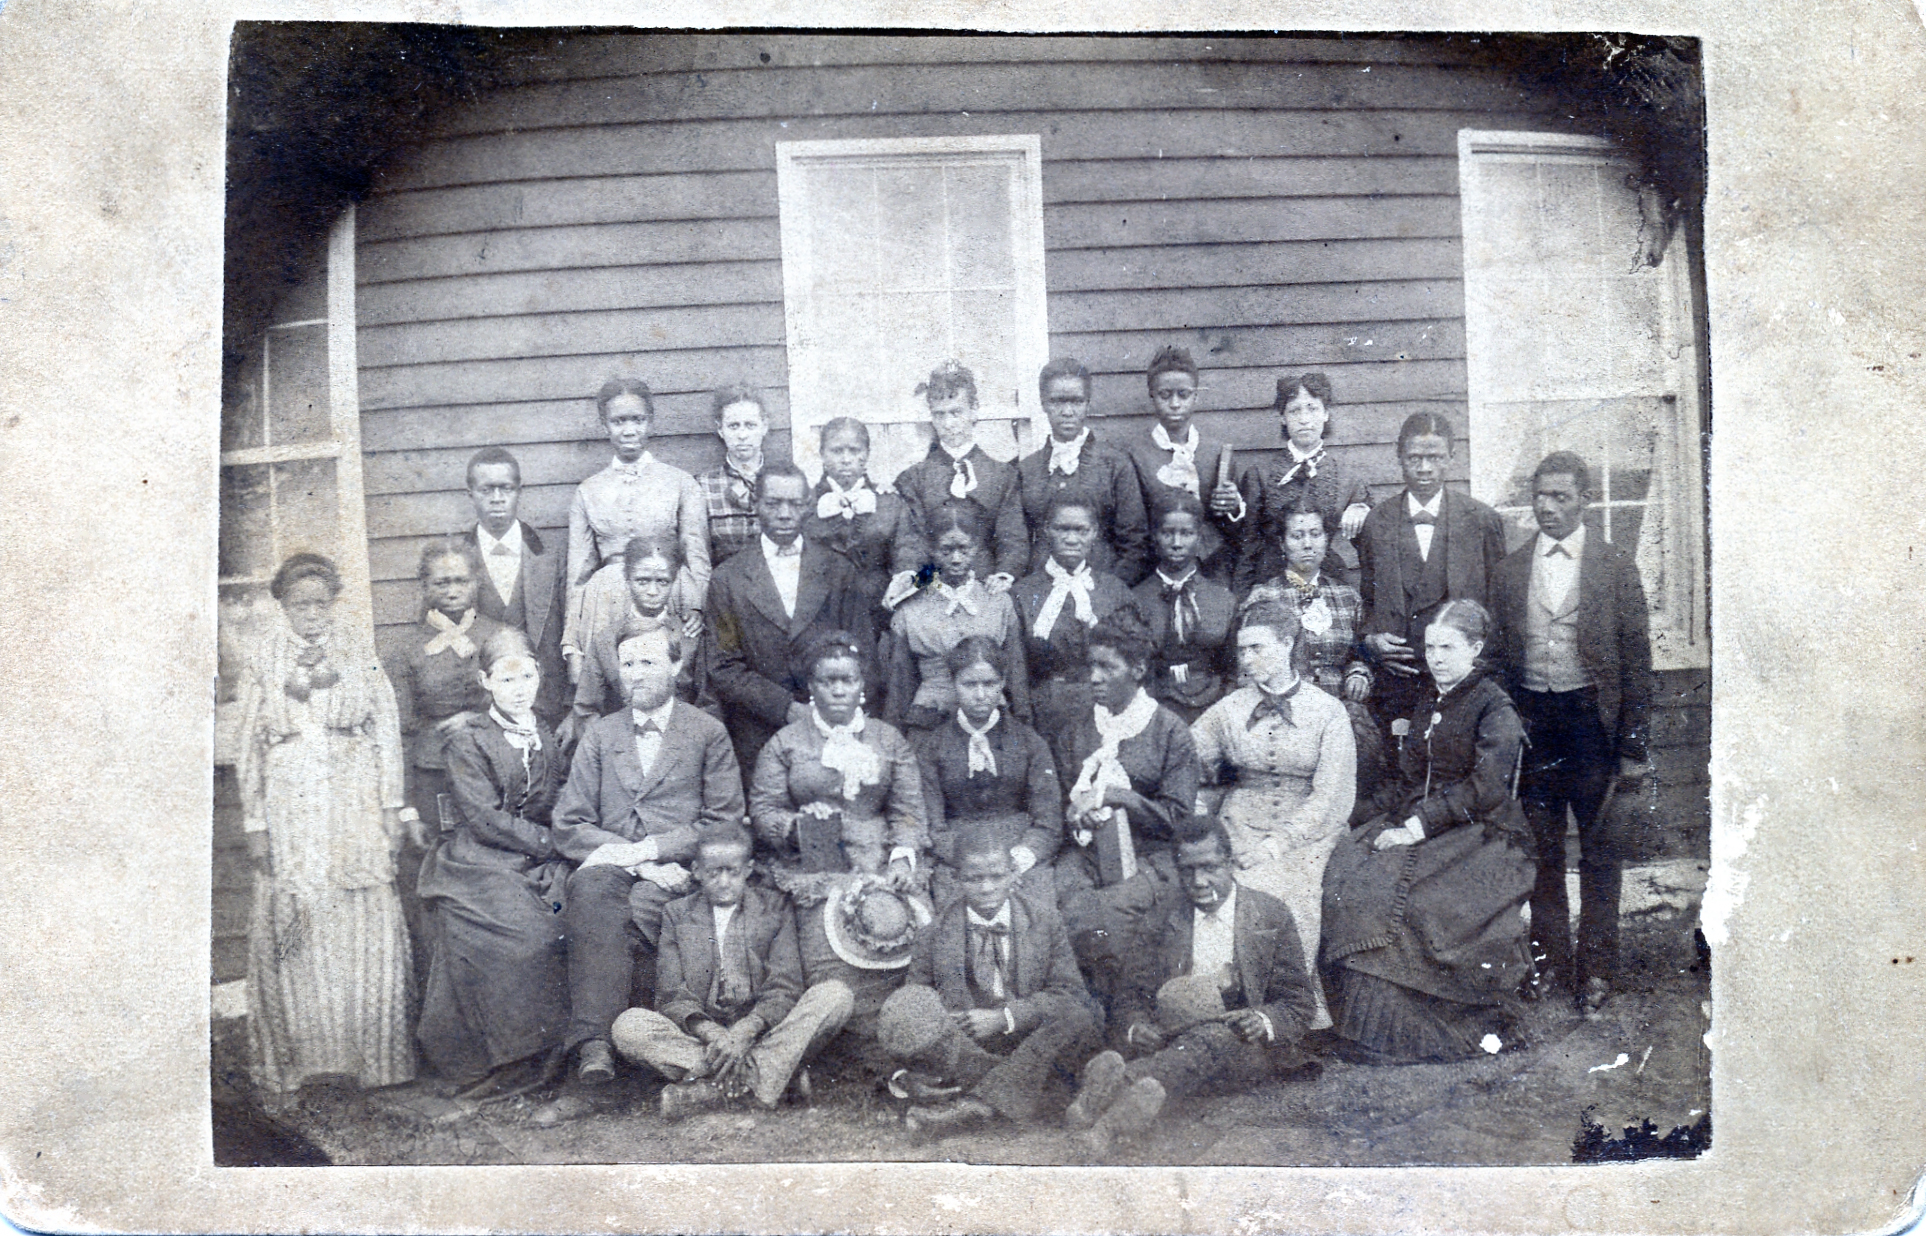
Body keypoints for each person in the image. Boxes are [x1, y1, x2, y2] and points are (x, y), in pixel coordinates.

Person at [1322, 599, 1536, 1063]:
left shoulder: (1494, 707)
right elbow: (1407, 778)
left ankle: (1401, 1031)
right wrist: (1352, 818)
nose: (1436, 657)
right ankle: (1357, 1022)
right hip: (1425, 821)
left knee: (1392, 894)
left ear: (1475, 649)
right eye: (1430, 647)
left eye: (1448, 647)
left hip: (1482, 833)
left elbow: (1485, 788)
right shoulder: (1430, 698)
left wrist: (1416, 826)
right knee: (1346, 867)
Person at [236, 553, 414, 1097]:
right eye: (299, 604)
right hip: (291, 798)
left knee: (355, 907)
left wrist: (391, 804)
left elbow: (385, 727)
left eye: (319, 602)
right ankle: (306, 1060)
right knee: (300, 916)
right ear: (283, 606)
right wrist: (255, 821)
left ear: (332, 603)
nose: (311, 613)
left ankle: (373, 1060)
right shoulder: (264, 657)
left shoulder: (357, 650)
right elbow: (247, 742)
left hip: (352, 792)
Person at [545, 624, 746, 1108]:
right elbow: (569, 821)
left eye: (649, 662)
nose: (635, 674)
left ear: (677, 666)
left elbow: (723, 821)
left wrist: (653, 851)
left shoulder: (706, 732)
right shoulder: (601, 733)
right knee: (591, 888)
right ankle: (596, 1046)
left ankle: (621, 1061)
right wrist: (635, 860)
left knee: (628, 917)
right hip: (616, 866)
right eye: (628, 664)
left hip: (682, 870)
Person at [1491, 451, 1653, 1016]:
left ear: (1583, 499)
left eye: (1561, 497)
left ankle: (1599, 969)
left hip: (1591, 725)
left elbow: (1637, 662)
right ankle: (1553, 964)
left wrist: (1631, 746)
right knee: (1541, 851)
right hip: (1535, 724)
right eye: (1540, 496)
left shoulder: (1615, 567)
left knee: (1601, 853)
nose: (1548, 507)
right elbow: (1497, 659)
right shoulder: (1511, 572)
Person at [1067, 814, 1319, 1157]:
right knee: (1177, 1051)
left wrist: (1263, 1021)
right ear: (1177, 868)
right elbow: (1131, 994)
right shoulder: (1162, 917)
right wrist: (1136, 1028)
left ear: (1229, 863)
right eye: (1187, 871)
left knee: (1217, 1035)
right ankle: (1127, 1107)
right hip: (1174, 1037)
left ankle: (1106, 1096)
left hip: (1245, 1046)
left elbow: (1299, 1002)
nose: (1199, 881)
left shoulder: (1270, 915)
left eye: (1210, 867)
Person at [416, 628, 570, 1099]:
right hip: (479, 858)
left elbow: (556, 795)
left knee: (570, 914)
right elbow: (484, 819)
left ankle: (556, 1052)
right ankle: (510, 1057)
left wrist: (570, 830)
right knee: (526, 935)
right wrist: (549, 841)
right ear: (486, 683)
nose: (520, 688)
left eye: (527, 677)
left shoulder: (542, 731)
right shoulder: (470, 740)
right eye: (507, 680)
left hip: (533, 853)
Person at [610, 824, 854, 1120]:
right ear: (697, 871)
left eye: (733, 872)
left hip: (762, 1030)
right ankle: (768, 1076)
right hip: (703, 1038)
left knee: (835, 996)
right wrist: (712, 1033)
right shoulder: (677, 913)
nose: (724, 882)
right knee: (628, 1026)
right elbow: (672, 992)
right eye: (714, 873)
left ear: (748, 869)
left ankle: (714, 1091)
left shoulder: (774, 908)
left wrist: (747, 1030)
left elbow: (785, 984)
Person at [1190, 601, 1355, 1025]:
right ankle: (1219, 1008)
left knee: (1291, 892)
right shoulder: (1230, 709)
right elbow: (1184, 756)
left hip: (1307, 830)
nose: (1247, 659)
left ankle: (1292, 1017)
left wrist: (1277, 843)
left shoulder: (1328, 711)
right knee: (1227, 889)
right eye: (1242, 651)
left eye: (1257, 648)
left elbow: (1332, 795)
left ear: (1287, 644)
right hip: (1240, 819)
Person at [877, 828, 1100, 1141]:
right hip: (971, 1049)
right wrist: (904, 1070)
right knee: (912, 1010)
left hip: (1030, 1038)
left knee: (1079, 1015)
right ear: (956, 879)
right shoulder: (934, 933)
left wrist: (1005, 1018)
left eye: (996, 877)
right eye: (973, 879)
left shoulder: (1044, 920)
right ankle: (1020, 1093)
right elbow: (917, 1002)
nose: (986, 888)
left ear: (1013, 874)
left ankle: (975, 1105)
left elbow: (1070, 994)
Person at [750, 633, 928, 1026]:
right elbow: (763, 809)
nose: (838, 690)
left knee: (904, 924)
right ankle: (843, 1028)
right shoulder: (786, 743)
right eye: (827, 682)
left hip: (879, 854)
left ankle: (900, 1028)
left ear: (861, 685)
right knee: (825, 936)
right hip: (814, 858)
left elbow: (908, 809)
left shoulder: (887, 739)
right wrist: (797, 827)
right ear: (812, 687)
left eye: (847, 680)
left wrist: (902, 857)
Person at [1051, 606, 1201, 1006]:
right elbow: (1063, 803)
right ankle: (1076, 1016)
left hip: (1153, 857)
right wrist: (1075, 814)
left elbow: (1179, 820)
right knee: (1055, 902)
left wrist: (1118, 797)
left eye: (1107, 667)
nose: (1094, 677)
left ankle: (1123, 1018)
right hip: (1087, 854)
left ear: (1137, 670)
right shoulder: (1077, 730)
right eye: (1091, 666)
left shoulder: (1170, 731)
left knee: (1108, 915)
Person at [385, 539, 511, 986]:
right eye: (441, 581)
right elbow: (398, 732)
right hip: (431, 778)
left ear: (475, 582)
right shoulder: (404, 648)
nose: (452, 589)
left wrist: (473, 720)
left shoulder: (500, 635)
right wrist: (407, 807)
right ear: (424, 586)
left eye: (460, 579)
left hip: (492, 777)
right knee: (436, 886)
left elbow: (523, 709)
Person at [705, 462, 878, 780]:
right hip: (759, 731)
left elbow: (862, 650)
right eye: (773, 503)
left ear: (808, 507)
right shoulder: (727, 580)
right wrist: (785, 708)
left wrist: (832, 708)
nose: (784, 514)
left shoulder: (838, 571)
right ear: (755, 506)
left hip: (835, 725)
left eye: (794, 504)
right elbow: (723, 667)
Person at [1355, 411, 1509, 738]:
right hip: (1399, 677)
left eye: (1435, 457)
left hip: (1465, 681)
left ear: (1451, 458)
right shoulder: (1377, 523)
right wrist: (1372, 641)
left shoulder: (1482, 522)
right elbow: (1367, 600)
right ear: (1399, 457)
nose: (1424, 468)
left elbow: (1499, 605)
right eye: (1414, 458)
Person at [563, 377, 711, 677]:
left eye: (638, 420)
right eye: (618, 421)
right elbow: (578, 574)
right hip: (606, 598)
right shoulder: (588, 490)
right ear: (605, 425)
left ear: (651, 423)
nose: (629, 430)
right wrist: (571, 640)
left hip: (669, 592)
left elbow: (697, 555)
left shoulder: (681, 483)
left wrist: (697, 605)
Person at [1240, 500, 1385, 792]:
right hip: (1284, 711)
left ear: (1327, 540)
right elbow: (1249, 666)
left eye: (1315, 534)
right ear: (1282, 544)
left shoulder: (1346, 597)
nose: (1308, 544)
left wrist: (1358, 673)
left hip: (1340, 711)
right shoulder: (1264, 597)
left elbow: (1360, 652)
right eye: (1297, 536)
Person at [910, 637, 1063, 907]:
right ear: (953, 684)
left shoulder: (1029, 742)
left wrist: (1021, 857)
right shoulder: (932, 747)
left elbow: (1048, 820)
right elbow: (933, 826)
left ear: (1002, 683)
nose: (980, 695)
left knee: (1033, 915)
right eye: (969, 684)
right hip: (957, 857)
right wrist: (973, 863)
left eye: (989, 684)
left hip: (1020, 850)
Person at [883, 498, 1030, 732]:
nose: (956, 559)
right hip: (930, 720)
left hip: (990, 722)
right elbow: (900, 685)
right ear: (931, 549)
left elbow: (1016, 675)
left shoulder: (998, 602)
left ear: (977, 548)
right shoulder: (910, 608)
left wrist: (1022, 725)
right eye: (946, 550)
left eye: (964, 549)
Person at [1010, 493, 1143, 734]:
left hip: (1105, 712)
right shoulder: (1023, 594)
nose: (1071, 539)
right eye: (1062, 529)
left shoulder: (1114, 591)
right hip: (1045, 714)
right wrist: (1024, 722)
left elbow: (1133, 660)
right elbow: (1016, 668)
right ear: (1047, 530)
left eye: (1081, 530)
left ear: (1094, 533)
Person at [890, 361, 1028, 589]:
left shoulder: (1003, 476)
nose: (948, 424)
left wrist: (1005, 574)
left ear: (974, 410)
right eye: (940, 415)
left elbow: (1012, 539)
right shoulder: (914, 479)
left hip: (986, 586)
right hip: (931, 586)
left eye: (956, 412)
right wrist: (909, 575)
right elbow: (910, 541)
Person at [1121, 345, 1252, 582]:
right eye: (1165, 395)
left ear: (1196, 396)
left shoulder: (1216, 453)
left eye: (1183, 394)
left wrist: (1232, 507)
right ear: (1152, 395)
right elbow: (1134, 527)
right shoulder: (1135, 455)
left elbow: (1233, 531)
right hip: (1156, 569)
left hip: (1211, 569)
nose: (1174, 404)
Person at [461, 446, 570, 726]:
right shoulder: (455, 560)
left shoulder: (551, 556)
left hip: (546, 708)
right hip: (480, 711)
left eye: (505, 489)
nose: (497, 499)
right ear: (470, 493)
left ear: (519, 490)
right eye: (486, 490)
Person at [1016, 357, 1151, 584]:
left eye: (1076, 402)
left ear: (1088, 403)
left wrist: (1110, 592)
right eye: (1057, 402)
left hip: (1101, 585)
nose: (1067, 411)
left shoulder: (1115, 465)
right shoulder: (1027, 469)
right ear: (1043, 404)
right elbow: (1017, 543)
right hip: (1041, 590)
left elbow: (1135, 543)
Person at [1236, 373, 1373, 593]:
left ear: (1326, 414)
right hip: (1271, 582)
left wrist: (1362, 509)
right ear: (1282, 417)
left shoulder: (1348, 477)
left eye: (1312, 408)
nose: (1304, 419)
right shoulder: (1260, 474)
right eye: (1294, 410)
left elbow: (1371, 546)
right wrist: (1242, 599)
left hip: (1329, 583)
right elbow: (1248, 546)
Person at [562, 536, 705, 739]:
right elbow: (587, 709)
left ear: (674, 580)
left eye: (662, 582)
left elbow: (708, 704)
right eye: (642, 581)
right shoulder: (605, 640)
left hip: (681, 745)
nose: (652, 591)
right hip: (621, 748)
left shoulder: (691, 636)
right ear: (627, 579)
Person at [801, 416, 926, 625]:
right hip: (821, 611)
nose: (846, 459)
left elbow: (908, 546)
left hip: (877, 611)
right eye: (837, 451)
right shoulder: (805, 504)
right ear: (822, 454)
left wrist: (903, 576)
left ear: (866, 454)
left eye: (854, 451)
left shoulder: (889, 503)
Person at [1132, 493, 1236, 724]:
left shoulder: (1222, 599)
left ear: (1200, 538)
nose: (1177, 543)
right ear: (1154, 536)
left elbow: (1233, 669)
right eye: (1168, 533)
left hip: (1214, 706)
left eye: (1186, 533)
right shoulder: (1135, 599)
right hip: (1153, 707)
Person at [695, 384, 772, 566]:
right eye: (733, 426)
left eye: (750, 425)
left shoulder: (782, 481)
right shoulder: (702, 486)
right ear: (721, 429)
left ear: (764, 427)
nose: (742, 435)